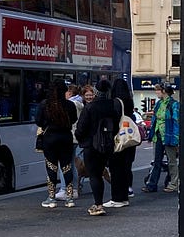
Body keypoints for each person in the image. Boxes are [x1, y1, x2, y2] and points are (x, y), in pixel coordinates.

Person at [73, 78, 120, 216]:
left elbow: (81, 128)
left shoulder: (90, 107)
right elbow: (116, 126)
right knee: (101, 172)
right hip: (107, 144)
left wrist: (82, 139)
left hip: (91, 144)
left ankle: (98, 204)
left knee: (94, 175)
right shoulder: (113, 106)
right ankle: (101, 203)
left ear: (96, 91)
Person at [35, 79, 78, 208]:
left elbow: (38, 121)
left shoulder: (45, 104)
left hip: (50, 138)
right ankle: (69, 197)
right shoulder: (70, 105)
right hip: (66, 138)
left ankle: (51, 197)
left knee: (51, 168)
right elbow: (74, 119)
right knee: (67, 167)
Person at [105, 76, 139, 207]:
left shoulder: (116, 102)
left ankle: (117, 198)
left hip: (119, 139)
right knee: (126, 168)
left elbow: (113, 121)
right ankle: (124, 196)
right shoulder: (129, 101)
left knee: (116, 169)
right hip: (128, 139)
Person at [143, 82, 180, 193]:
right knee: (156, 161)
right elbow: (155, 120)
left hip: (168, 136)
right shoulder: (159, 104)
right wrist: (151, 135)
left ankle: (174, 183)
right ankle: (152, 184)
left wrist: (176, 138)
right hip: (158, 135)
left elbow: (176, 122)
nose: (156, 92)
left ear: (164, 91)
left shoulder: (174, 104)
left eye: (158, 90)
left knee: (171, 161)